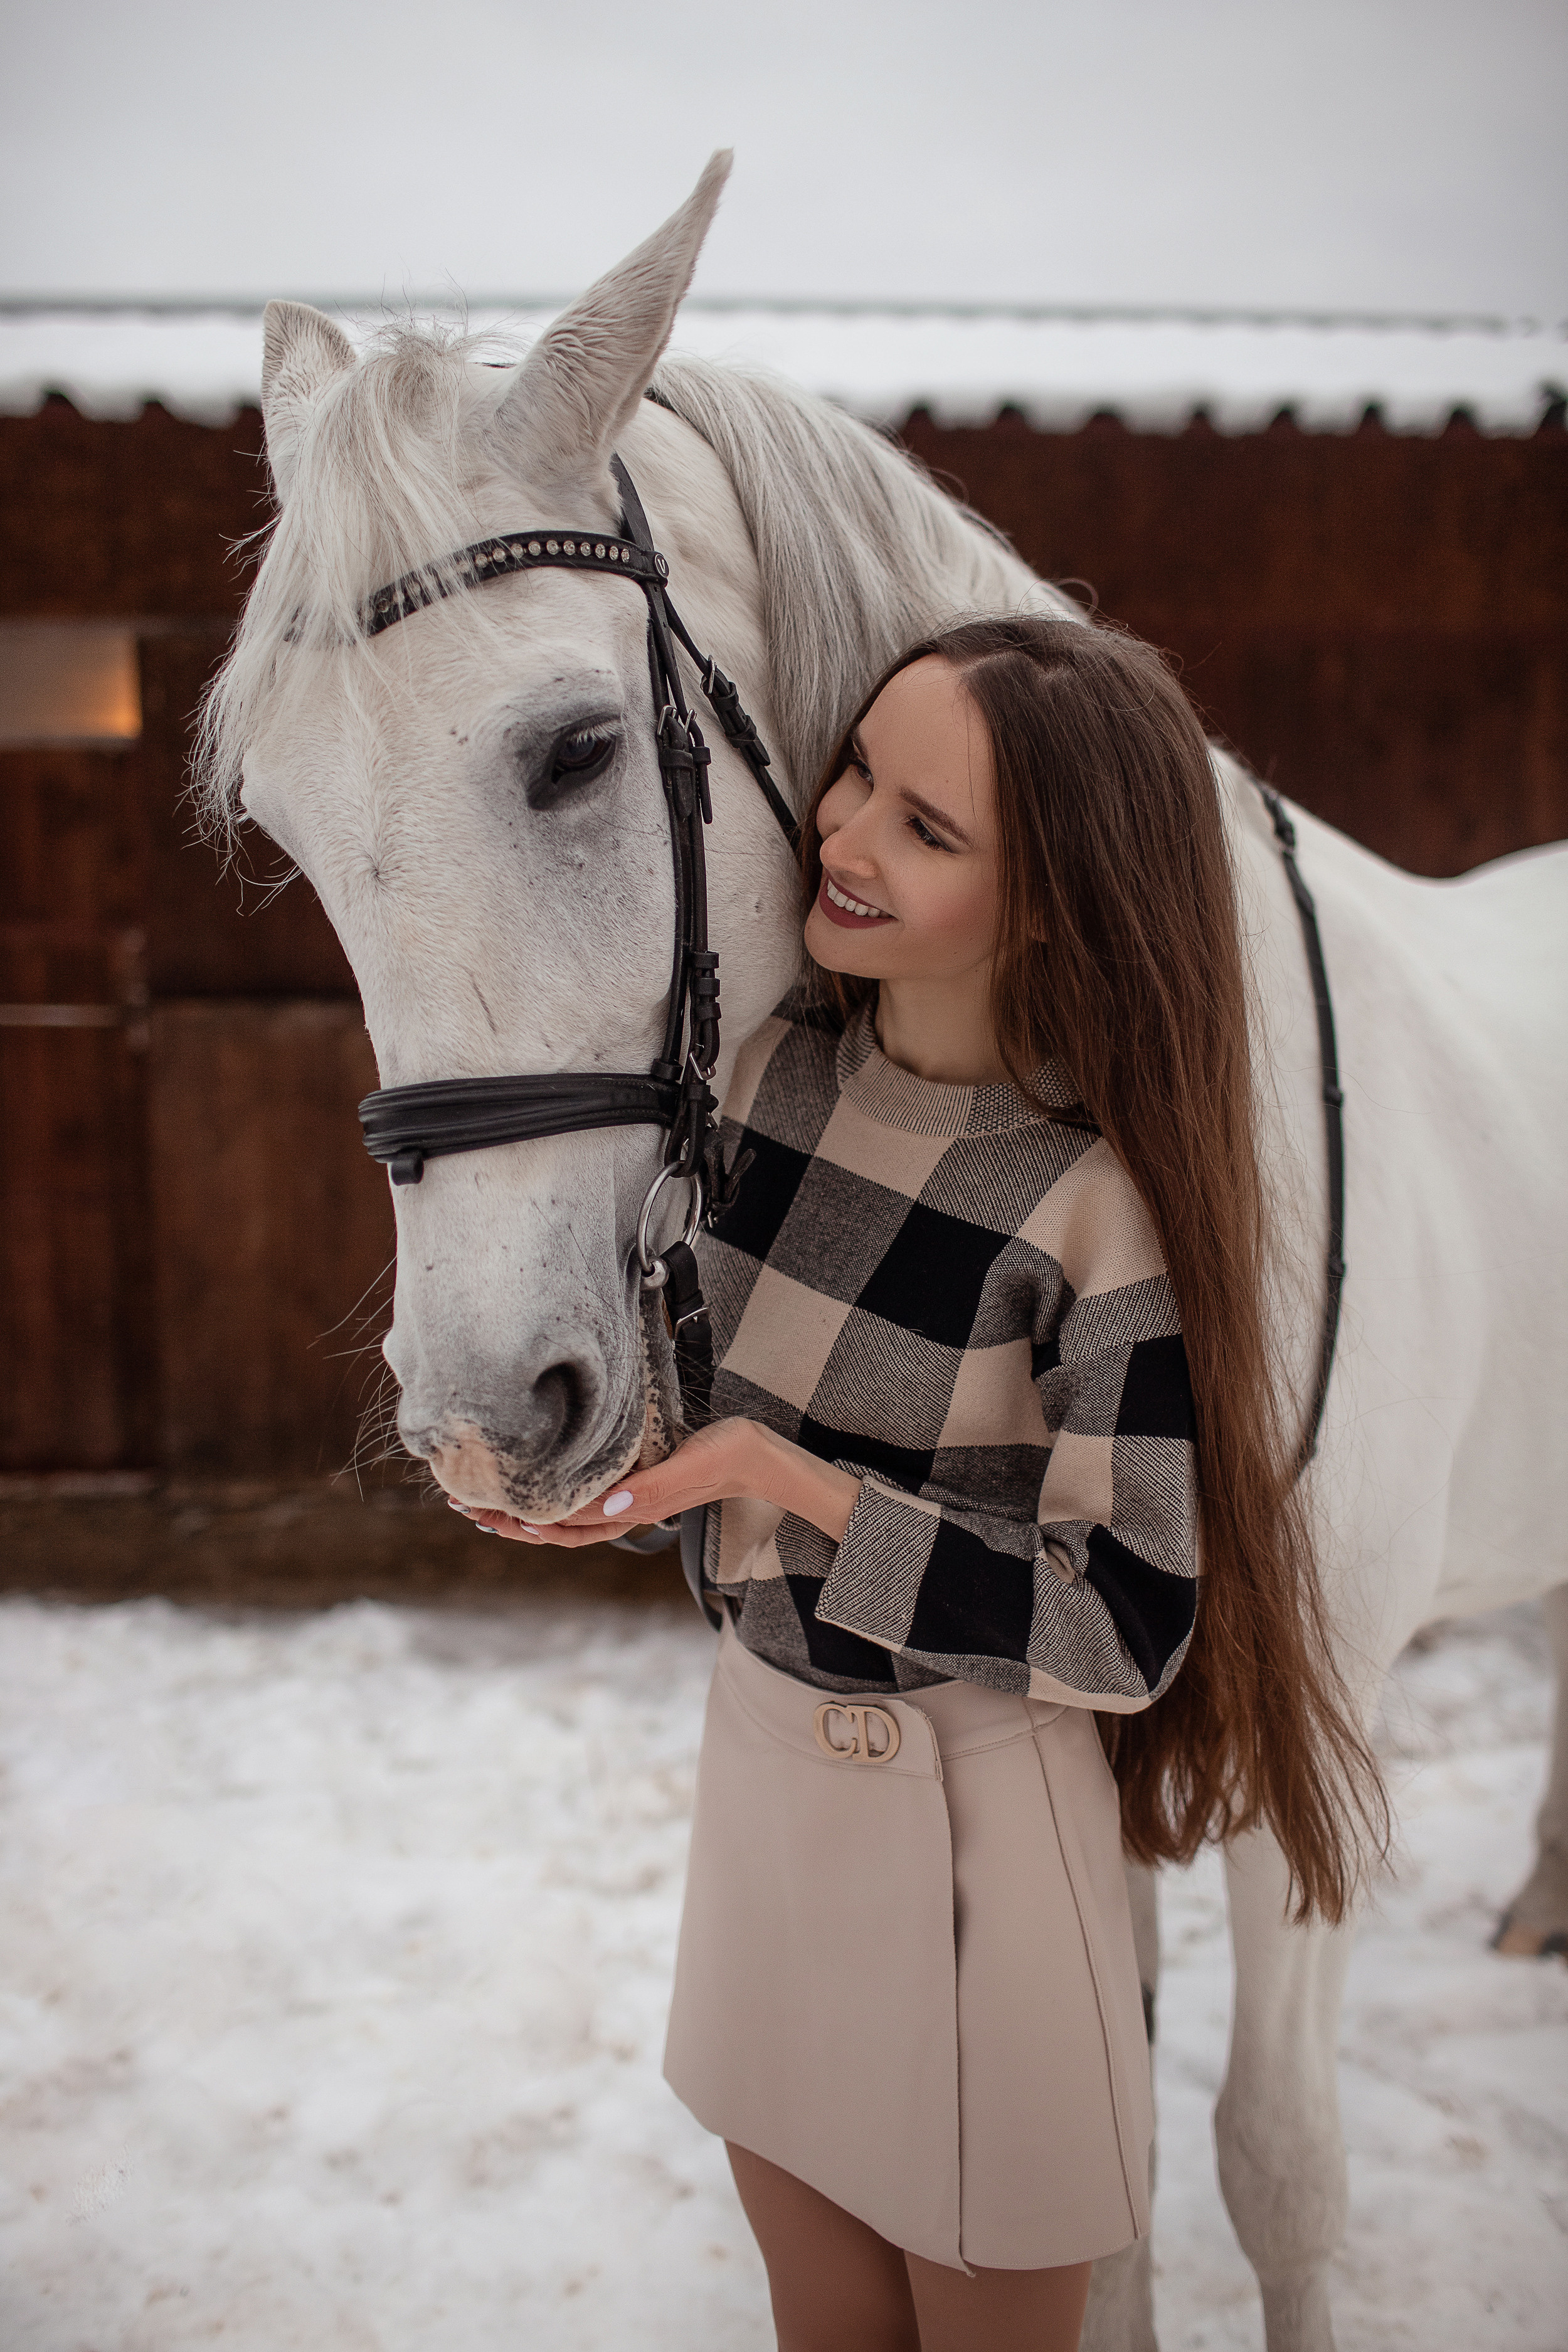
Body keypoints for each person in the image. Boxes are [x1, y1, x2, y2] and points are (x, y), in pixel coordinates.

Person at [455, 613, 1384, 2352]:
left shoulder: (1093, 1206)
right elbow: (695, 1425)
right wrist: (563, 1471)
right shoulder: (768, 1092)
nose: (848, 831)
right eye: (859, 773)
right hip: (766, 1793)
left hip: (974, 1834)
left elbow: (1124, 1623)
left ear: (1047, 903)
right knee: (819, 2321)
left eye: (926, 827)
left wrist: (798, 1494)